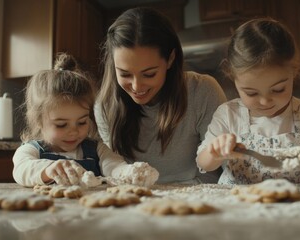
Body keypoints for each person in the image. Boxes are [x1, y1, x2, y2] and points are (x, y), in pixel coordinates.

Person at [196, 18, 300, 185]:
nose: (264, 101)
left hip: (296, 207)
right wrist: (214, 152)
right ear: (234, 79)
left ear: (294, 72)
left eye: (278, 89)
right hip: (240, 207)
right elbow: (203, 163)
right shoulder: (228, 115)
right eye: (252, 93)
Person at [94, 7, 227, 184]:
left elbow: (214, 171)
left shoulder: (203, 91)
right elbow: (115, 171)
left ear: (170, 59)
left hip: (194, 198)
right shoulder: (104, 106)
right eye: (125, 74)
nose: (136, 86)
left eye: (149, 74)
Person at [13, 53, 159, 187]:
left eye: (82, 122)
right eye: (62, 125)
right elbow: (22, 170)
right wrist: (48, 170)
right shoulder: (31, 151)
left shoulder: (97, 149)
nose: (74, 131)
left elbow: (114, 166)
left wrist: (128, 172)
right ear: (39, 121)